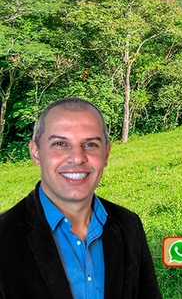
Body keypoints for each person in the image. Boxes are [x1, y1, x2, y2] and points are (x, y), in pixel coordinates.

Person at [0, 97, 162, 299]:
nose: (77, 158)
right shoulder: (4, 237)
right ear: (36, 152)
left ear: (106, 153)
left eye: (91, 144)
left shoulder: (129, 225)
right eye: (60, 143)